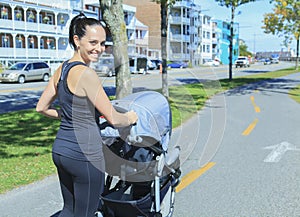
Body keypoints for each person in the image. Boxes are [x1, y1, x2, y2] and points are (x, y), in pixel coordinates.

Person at [36, 13, 138, 217]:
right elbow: (114, 118)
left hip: (61, 151)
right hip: (85, 155)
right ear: (76, 40)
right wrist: (131, 118)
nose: (99, 49)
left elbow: (41, 107)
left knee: (69, 209)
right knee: (85, 212)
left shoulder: (62, 69)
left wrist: (69, 116)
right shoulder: (87, 75)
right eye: (93, 42)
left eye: (102, 43)